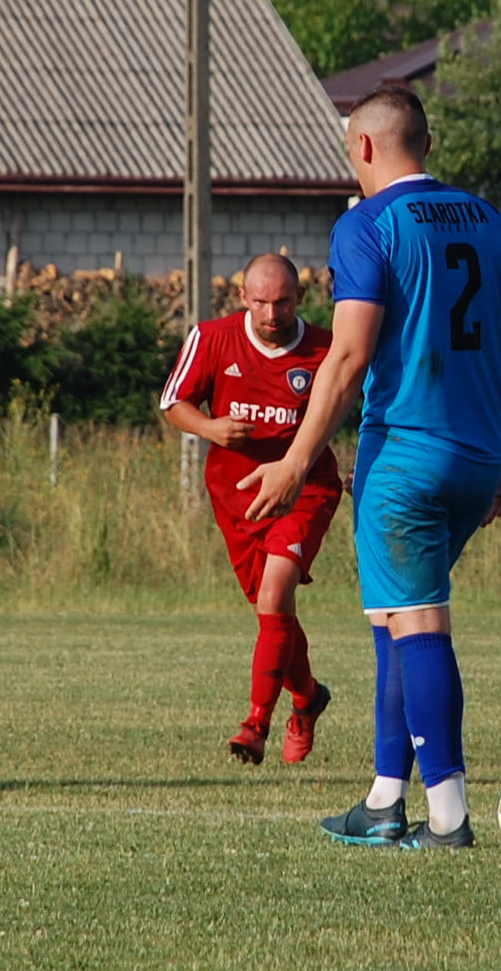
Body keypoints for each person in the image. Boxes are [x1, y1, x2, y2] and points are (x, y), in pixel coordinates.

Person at [241, 85, 501, 850]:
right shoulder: (489, 221)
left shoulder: (366, 225)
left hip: (404, 452)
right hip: (473, 450)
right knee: (394, 618)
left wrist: (297, 460)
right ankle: (383, 796)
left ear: (363, 148)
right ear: (424, 145)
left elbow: (350, 354)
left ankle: (450, 819)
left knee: (421, 623)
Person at [160, 253, 341, 766]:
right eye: (260, 301)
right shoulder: (212, 338)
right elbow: (174, 402)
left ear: (300, 299)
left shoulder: (326, 349)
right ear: (242, 297)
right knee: (272, 611)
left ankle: (256, 724)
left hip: (304, 490)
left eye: (282, 301)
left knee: (277, 589)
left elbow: (368, 402)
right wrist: (211, 428)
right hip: (237, 495)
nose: (270, 313)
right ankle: (306, 700)